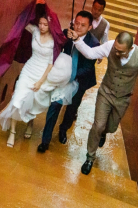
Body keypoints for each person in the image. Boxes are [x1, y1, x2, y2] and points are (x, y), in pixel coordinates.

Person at [66, 29, 138, 174]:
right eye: (116, 50)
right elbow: (90, 53)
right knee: (98, 125)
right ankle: (89, 157)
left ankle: (103, 133)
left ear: (131, 48)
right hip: (106, 93)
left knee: (111, 128)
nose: (117, 54)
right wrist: (77, 40)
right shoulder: (110, 46)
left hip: (123, 98)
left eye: (121, 52)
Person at [0, 0, 67, 147]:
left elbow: (50, 64)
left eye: (45, 24)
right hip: (28, 69)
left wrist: (41, 81)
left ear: (50, 25)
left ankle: (30, 124)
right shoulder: (34, 31)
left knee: (32, 101)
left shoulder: (53, 41)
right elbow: (22, 21)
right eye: (40, 23)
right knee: (18, 99)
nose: (41, 27)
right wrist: (35, 5)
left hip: (42, 73)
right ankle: (13, 132)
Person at [37, 11, 100, 153]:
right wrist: (66, 39)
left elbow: (88, 68)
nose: (78, 27)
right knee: (54, 105)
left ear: (89, 27)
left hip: (79, 80)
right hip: (62, 78)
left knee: (71, 109)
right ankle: (45, 141)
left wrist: (70, 75)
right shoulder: (67, 33)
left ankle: (63, 129)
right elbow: (56, 48)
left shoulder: (94, 44)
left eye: (83, 25)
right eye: (76, 23)